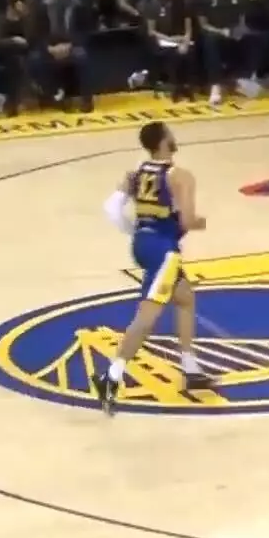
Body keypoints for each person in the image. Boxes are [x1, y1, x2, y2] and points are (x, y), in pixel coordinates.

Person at [94, 122, 212, 415]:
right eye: (170, 133)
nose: (174, 136)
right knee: (147, 317)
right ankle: (111, 376)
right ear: (163, 142)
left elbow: (111, 208)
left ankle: (190, 366)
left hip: (142, 244)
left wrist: (135, 230)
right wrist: (202, 223)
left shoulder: (137, 172)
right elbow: (186, 221)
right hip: (163, 251)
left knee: (184, 297)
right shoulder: (180, 176)